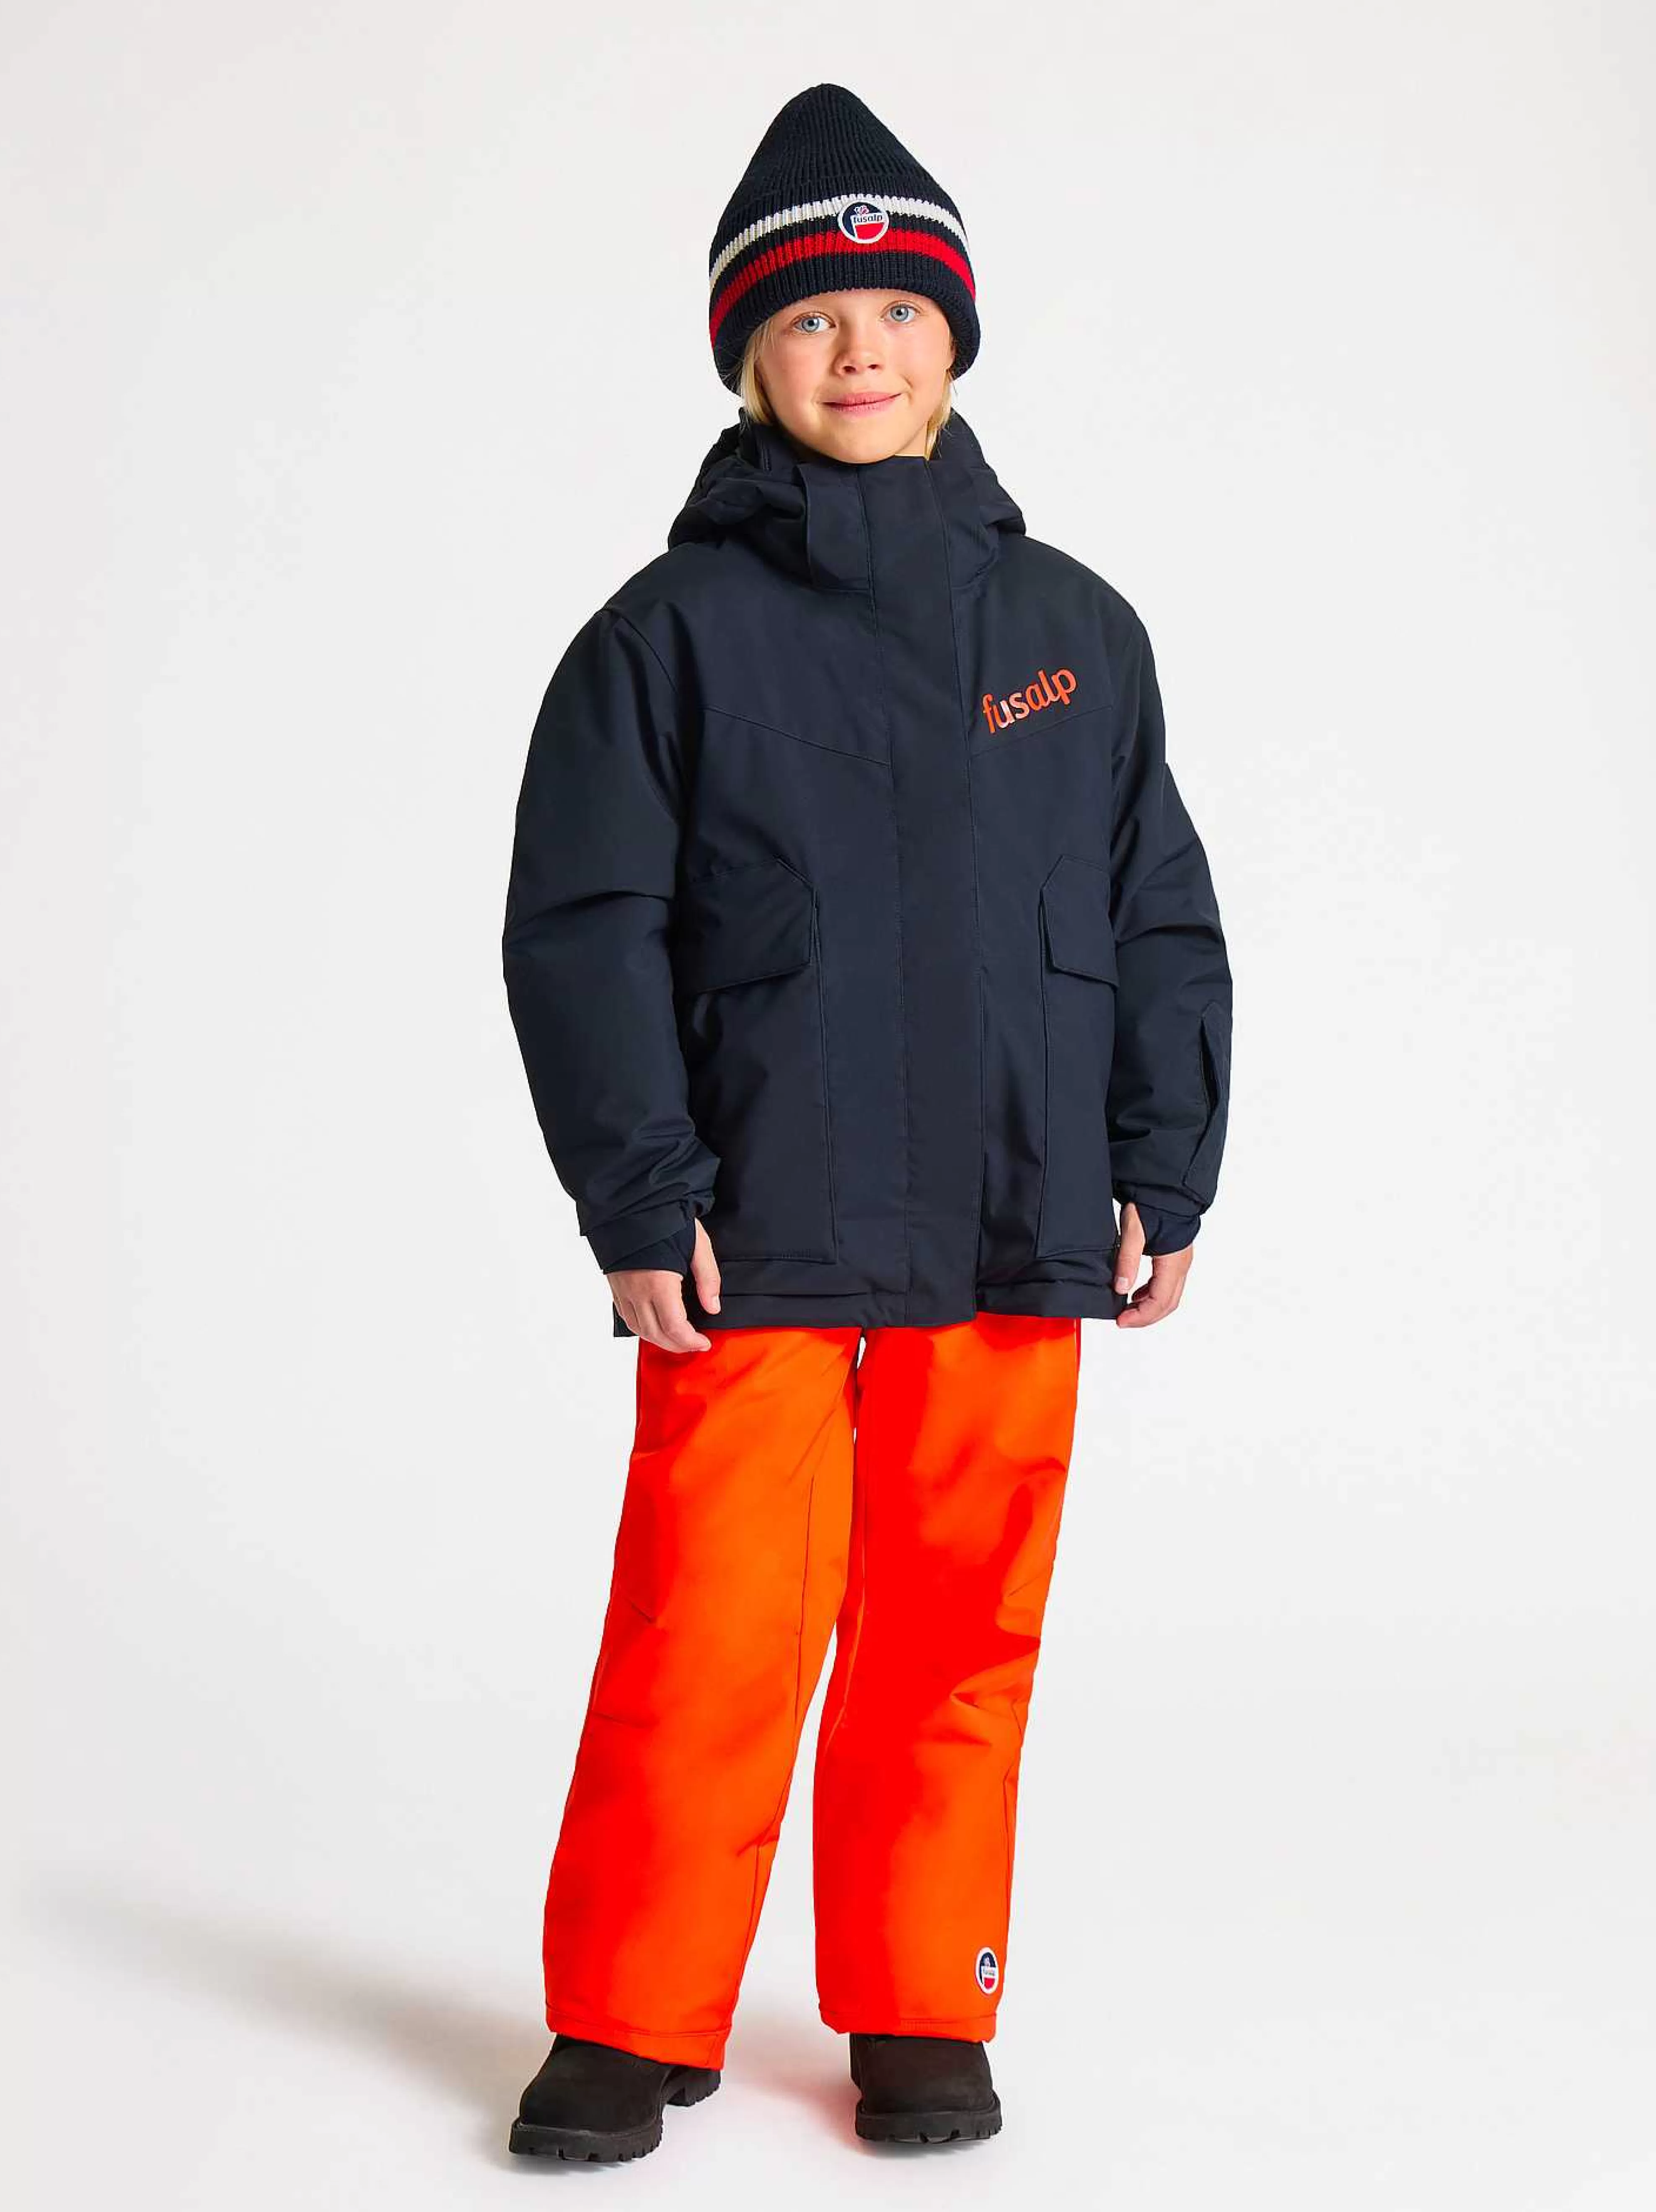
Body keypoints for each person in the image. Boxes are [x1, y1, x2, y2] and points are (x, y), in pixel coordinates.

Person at [499, 82, 1232, 2160]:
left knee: (957, 1629)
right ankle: (630, 2016)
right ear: (748, 358)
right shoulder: (663, 642)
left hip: (1012, 1219)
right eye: (810, 320)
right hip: (759, 1225)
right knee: (708, 1626)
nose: (859, 352)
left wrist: (1160, 1163)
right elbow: (584, 931)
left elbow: (1156, 913)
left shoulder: (1073, 633)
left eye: (899, 313)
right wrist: (636, 1192)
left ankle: (921, 2002)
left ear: (954, 340)